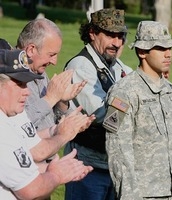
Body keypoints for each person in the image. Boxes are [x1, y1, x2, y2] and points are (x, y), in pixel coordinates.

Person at [103, 20, 172, 200]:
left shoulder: (170, 90)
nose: (168, 54)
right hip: (142, 194)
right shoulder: (123, 92)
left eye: (170, 48)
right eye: (160, 48)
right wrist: (129, 195)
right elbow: (117, 149)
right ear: (142, 51)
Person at [0, 48, 93, 200]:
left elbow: (15, 167)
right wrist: (56, 174)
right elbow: (31, 190)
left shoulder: (7, 119)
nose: (27, 92)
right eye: (19, 84)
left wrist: (58, 168)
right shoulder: (2, 131)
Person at [63, 8, 132, 200]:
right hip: (86, 167)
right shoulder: (81, 65)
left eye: (121, 37)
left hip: (111, 165)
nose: (117, 43)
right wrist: (133, 103)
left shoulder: (117, 66)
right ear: (92, 33)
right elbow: (104, 116)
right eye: (111, 35)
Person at [16, 18, 89, 164]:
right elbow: (17, 127)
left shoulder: (39, 71)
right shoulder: (7, 78)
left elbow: (49, 118)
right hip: (24, 165)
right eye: (51, 54)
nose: (55, 62)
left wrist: (62, 101)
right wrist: (50, 98)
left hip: (45, 163)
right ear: (31, 50)